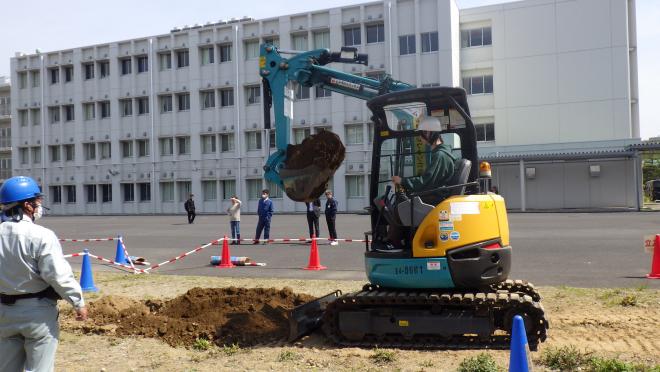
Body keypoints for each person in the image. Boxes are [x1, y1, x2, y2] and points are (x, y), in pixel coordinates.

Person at [0, 176, 88, 372]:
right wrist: (78, 302)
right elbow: (57, 275)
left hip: (4, 313)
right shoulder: (41, 235)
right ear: (27, 205)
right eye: (37, 201)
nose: (40, 205)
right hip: (37, 312)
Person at [391, 116, 457, 203]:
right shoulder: (441, 153)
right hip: (435, 194)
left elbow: (426, 182)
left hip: (436, 198)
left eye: (422, 134)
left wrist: (402, 180)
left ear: (428, 133)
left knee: (401, 206)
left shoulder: (440, 155)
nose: (420, 138)